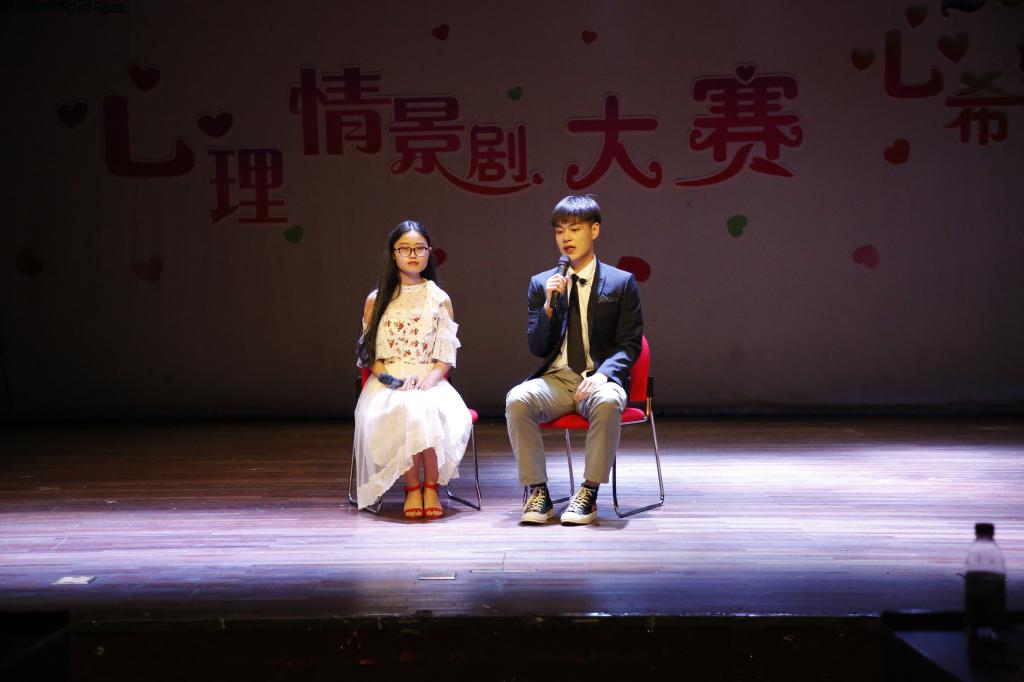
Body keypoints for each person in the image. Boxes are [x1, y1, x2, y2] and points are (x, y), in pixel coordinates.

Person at [506, 195, 643, 525]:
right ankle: (538, 492)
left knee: (608, 401)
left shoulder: (621, 282)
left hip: (599, 378)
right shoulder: (542, 284)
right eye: (559, 230)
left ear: (594, 231)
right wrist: (549, 307)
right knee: (518, 399)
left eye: (575, 229)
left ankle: (588, 493)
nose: (566, 237)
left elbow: (630, 342)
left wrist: (604, 375)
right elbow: (538, 346)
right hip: (557, 380)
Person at [353, 220, 472, 519]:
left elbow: (445, 355)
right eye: (404, 249)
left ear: (429, 253)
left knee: (425, 407)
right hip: (388, 381)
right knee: (410, 409)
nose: (412, 255)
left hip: (430, 379)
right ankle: (412, 488)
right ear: (393, 254)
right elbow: (370, 356)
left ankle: (430, 487)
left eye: (419, 248)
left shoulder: (439, 298)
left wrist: (430, 380)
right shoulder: (377, 299)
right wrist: (392, 380)